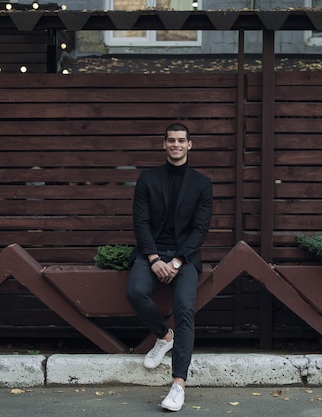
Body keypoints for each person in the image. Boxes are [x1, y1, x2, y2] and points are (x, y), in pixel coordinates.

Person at [126, 122, 213, 412]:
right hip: (150, 252)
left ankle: (178, 384)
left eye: (181, 140)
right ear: (164, 144)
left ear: (190, 145)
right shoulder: (148, 179)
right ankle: (164, 336)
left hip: (184, 258)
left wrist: (176, 261)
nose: (176, 145)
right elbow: (140, 222)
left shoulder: (201, 183)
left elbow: (200, 229)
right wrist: (153, 259)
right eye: (171, 140)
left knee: (185, 309)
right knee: (137, 292)